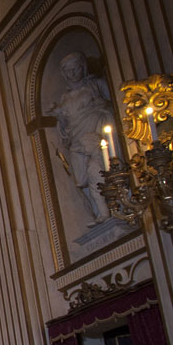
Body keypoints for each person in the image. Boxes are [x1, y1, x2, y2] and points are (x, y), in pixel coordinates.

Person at [45, 51, 113, 226]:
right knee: (80, 178)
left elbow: (116, 102)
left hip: (96, 133)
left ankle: (108, 209)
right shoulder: (65, 98)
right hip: (76, 139)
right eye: (68, 70)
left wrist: (102, 106)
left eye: (75, 68)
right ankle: (98, 211)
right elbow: (65, 128)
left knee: (97, 168)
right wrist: (58, 115)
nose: (72, 73)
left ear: (82, 67)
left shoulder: (96, 85)